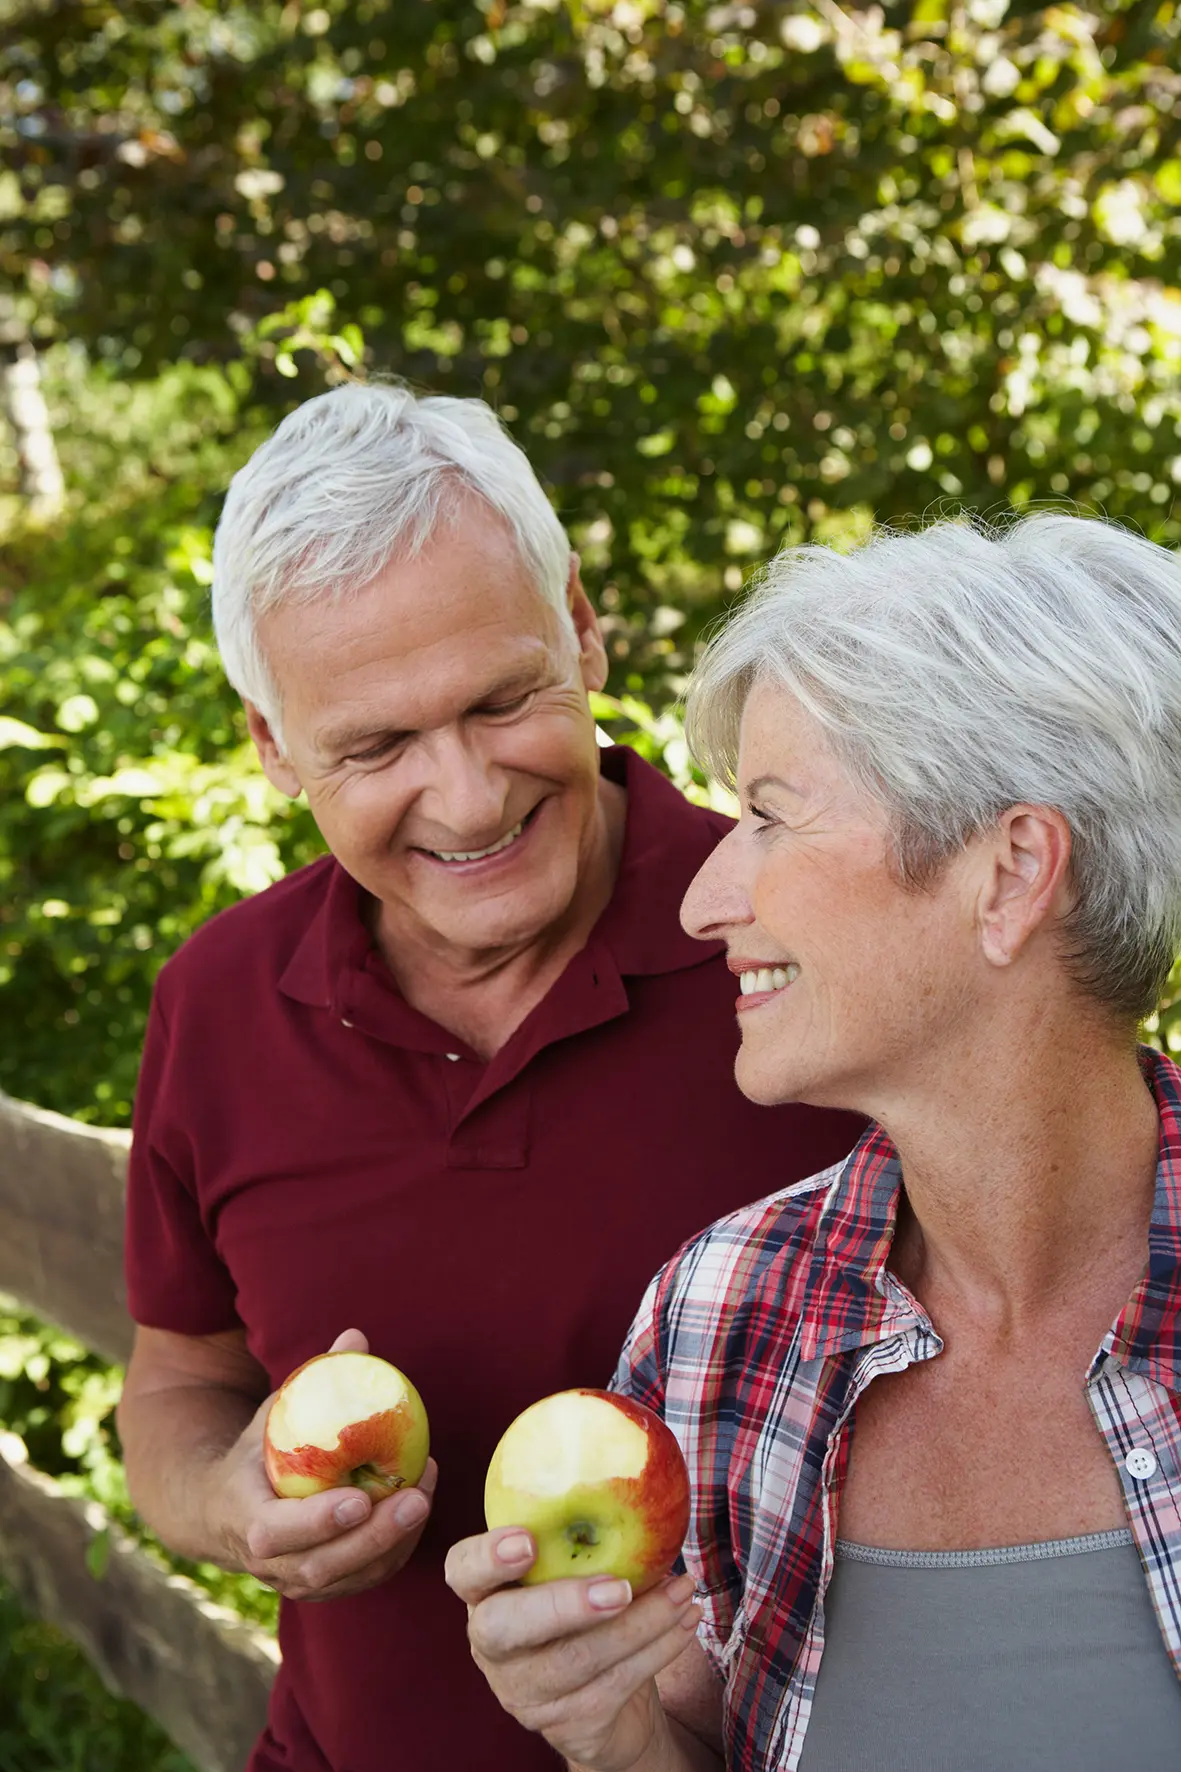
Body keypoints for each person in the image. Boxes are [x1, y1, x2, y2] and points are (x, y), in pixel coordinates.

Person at [114, 382, 861, 1772]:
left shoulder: (810, 945)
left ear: (580, 627)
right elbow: (175, 1380)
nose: (466, 799)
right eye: (378, 747)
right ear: (272, 747)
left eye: (501, 700)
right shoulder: (217, 1005)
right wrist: (236, 1503)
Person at [448, 511, 1181, 1772]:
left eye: (771, 816)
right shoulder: (719, 1311)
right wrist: (611, 1734)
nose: (700, 897)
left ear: (1008, 874)